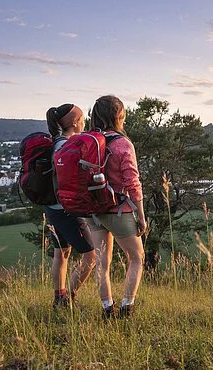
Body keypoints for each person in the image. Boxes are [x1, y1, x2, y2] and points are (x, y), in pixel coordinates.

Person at [87, 95, 147, 319]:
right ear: (118, 116)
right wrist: (140, 214)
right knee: (137, 258)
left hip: (93, 211)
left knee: (102, 263)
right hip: (118, 210)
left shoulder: (89, 140)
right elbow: (132, 181)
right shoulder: (122, 143)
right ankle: (127, 308)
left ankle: (106, 309)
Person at [45, 103, 96, 308]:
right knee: (91, 255)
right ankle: (69, 299)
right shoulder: (66, 145)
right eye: (83, 118)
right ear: (75, 122)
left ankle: (59, 298)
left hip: (52, 207)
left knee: (62, 252)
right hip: (66, 209)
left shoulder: (55, 142)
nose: (84, 122)